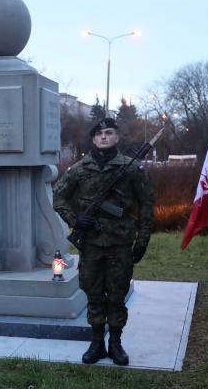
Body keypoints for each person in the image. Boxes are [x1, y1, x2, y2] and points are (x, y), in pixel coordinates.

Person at [53, 117, 154, 366]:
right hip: (91, 244)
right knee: (94, 293)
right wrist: (76, 220)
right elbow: (59, 197)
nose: (104, 137)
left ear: (117, 137)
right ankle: (97, 343)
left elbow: (146, 203)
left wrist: (143, 239)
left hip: (120, 243)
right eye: (99, 134)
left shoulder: (130, 168)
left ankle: (116, 344)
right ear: (93, 138)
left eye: (109, 133)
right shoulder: (79, 169)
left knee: (117, 294)